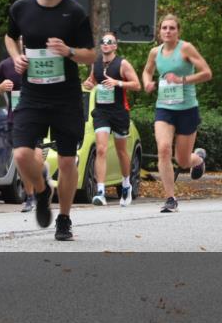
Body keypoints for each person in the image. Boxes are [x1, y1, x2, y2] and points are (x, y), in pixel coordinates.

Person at [5, 0, 95, 241]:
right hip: (32, 94)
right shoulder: (21, 8)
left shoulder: (75, 13)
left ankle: (65, 219)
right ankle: (43, 191)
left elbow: (90, 54)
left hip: (66, 97)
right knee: (20, 154)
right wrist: (16, 56)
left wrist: (68, 51)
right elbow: (10, 37)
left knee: (68, 162)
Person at [141, 14, 212, 213]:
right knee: (163, 149)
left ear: (177, 31)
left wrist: (182, 80)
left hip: (187, 109)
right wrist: (147, 82)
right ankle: (170, 198)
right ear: (159, 31)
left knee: (182, 160)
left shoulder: (186, 48)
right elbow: (147, 71)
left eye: (172, 28)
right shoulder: (155, 52)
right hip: (164, 107)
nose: (168, 31)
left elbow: (207, 72)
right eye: (164, 28)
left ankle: (197, 159)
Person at [82, 31, 141, 206]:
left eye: (110, 42)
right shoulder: (96, 64)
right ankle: (100, 191)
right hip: (101, 112)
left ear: (115, 46)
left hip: (119, 112)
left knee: (122, 151)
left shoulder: (122, 64)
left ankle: (126, 184)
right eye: (103, 41)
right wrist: (88, 84)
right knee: (100, 149)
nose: (106, 44)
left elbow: (137, 85)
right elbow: (92, 81)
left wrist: (118, 83)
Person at [0, 37, 47, 213]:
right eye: (18, 37)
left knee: (38, 158)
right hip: (15, 118)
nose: (22, 40)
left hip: (35, 116)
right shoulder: (5, 65)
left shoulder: (38, 61)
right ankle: (30, 196)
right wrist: (1, 87)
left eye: (25, 37)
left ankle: (42, 174)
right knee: (22, 159)